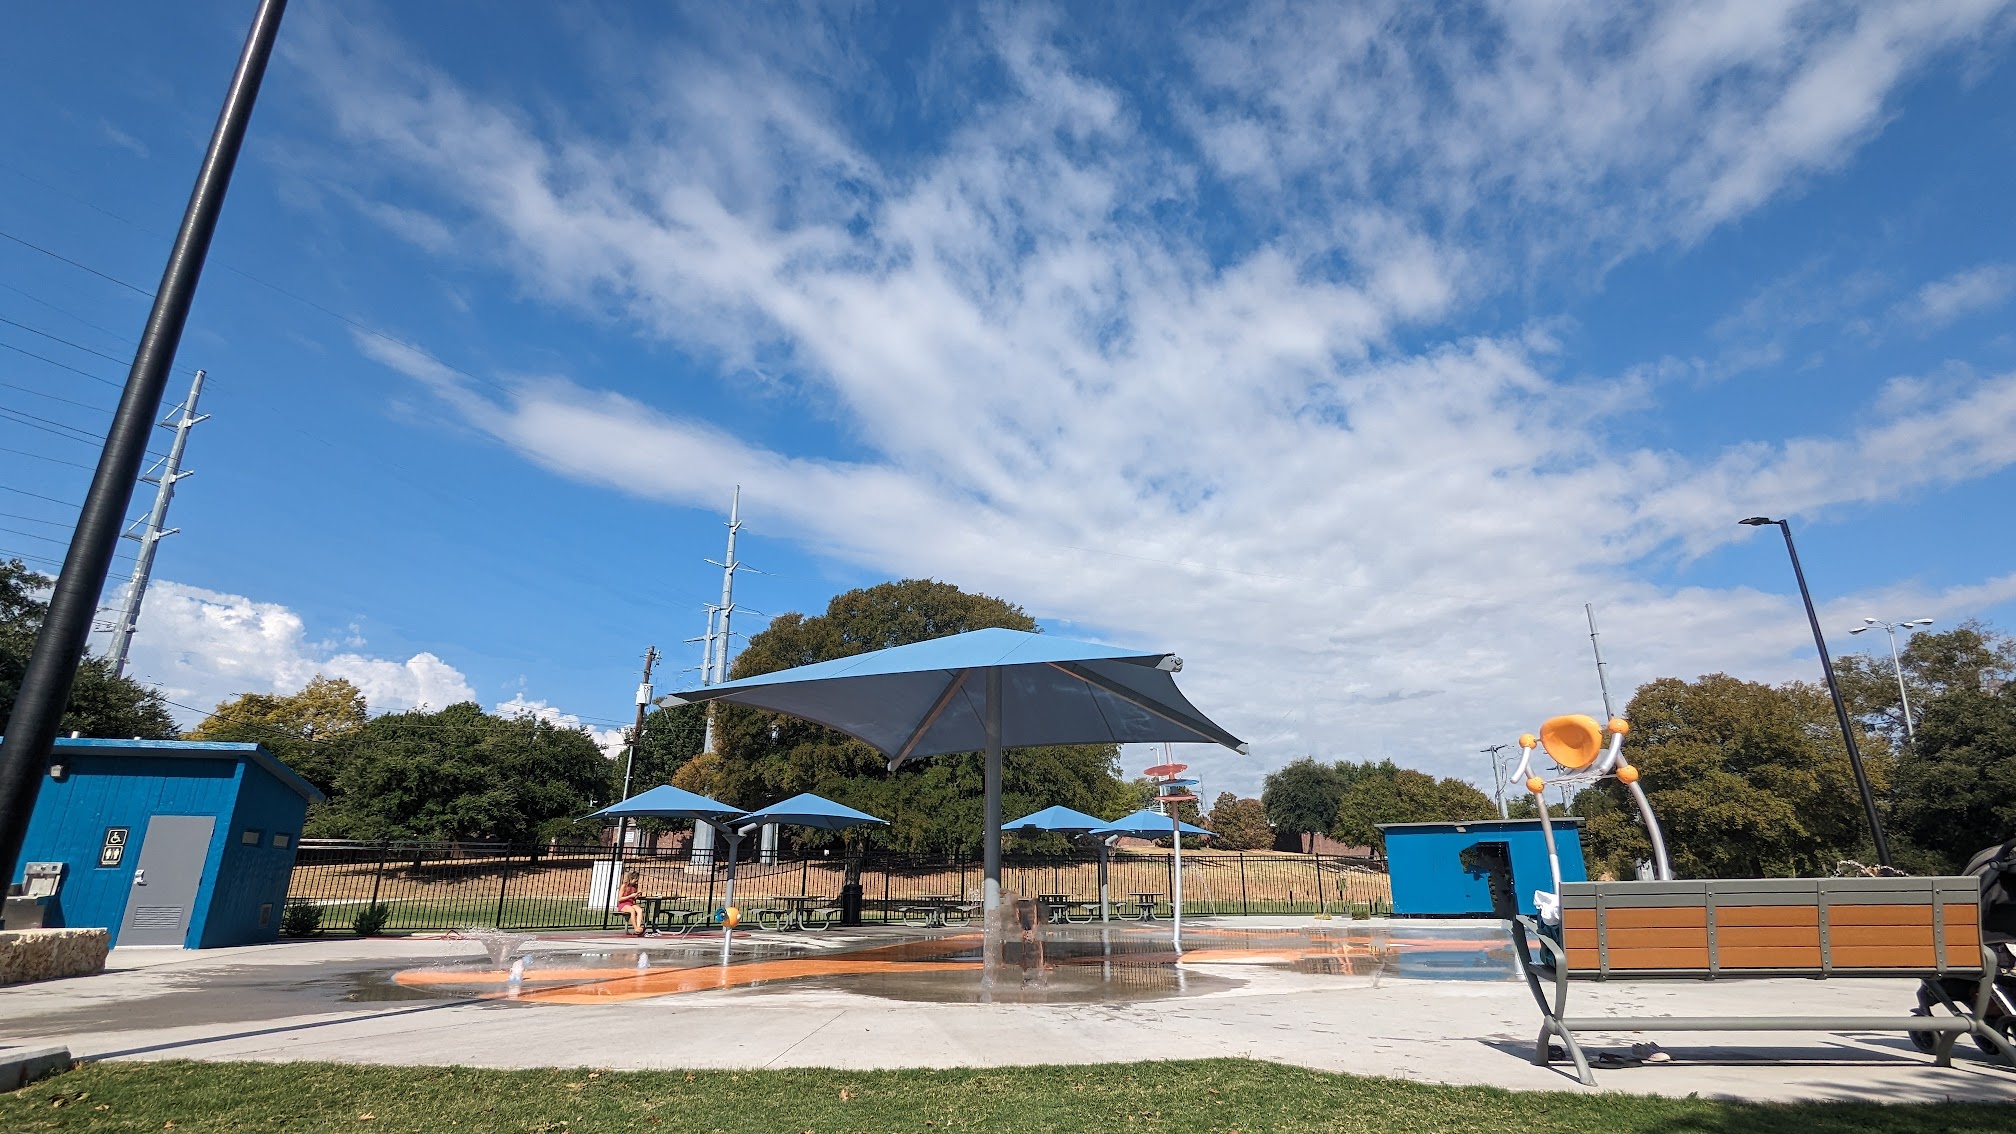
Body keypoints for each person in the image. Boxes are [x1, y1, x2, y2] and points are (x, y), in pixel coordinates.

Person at [616, 871, 650, 936]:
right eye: (635, 880)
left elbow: (633, 898)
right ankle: (635, 928)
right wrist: (630, 896)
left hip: (631, 903)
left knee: (640, 910)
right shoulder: (624, 886)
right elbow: (620, 899)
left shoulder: (635, 886)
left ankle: (638, 927)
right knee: (632, 910)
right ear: (631, 879)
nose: (636, 882)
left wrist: (636, 895)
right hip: (623, 904)